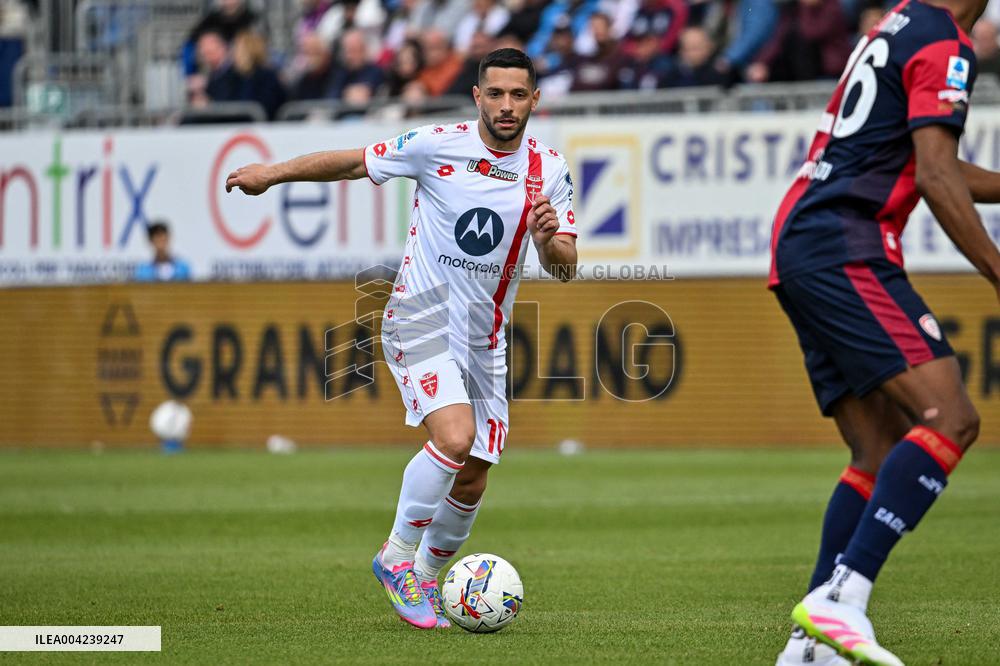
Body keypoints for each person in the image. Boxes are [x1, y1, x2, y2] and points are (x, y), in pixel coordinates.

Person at [224, 48, 578, 630]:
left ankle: (432, 581)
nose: (507, 106)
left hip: (484, 338)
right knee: (456, 434)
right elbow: (350, 162)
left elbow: (565, 265)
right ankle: (396, 559)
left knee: (475, 469)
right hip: (420, 315)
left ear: (535, 99)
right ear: (477, 96)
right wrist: (272, 173)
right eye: (496, 94)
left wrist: (547, 239)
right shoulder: (438, 144)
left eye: (519, 94)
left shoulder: (551, 170)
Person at [770, 1, 1000, 665]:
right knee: (949, 417)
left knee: (876, 446)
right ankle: (842, 599)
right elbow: (934, 172)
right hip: (847, 240)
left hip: (801, 238)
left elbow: (934, 165)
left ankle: (810, 648)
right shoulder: (947, 43)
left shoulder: (898, 22)